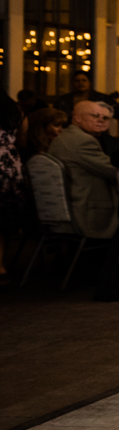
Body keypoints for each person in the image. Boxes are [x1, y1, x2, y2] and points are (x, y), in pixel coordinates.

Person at [49, 101, 119, 241]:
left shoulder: (65, 136)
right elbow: (115, 171)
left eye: (105, 118)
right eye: (95, 115)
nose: (100, 120)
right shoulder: (82, 141)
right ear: (77, 118)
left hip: (61, 210)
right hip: (85, 212)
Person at [0, 93, 23, 286]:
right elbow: (22, 138)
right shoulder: (12, 108)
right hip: (7, 163)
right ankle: (1, 265)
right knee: (2, 217)